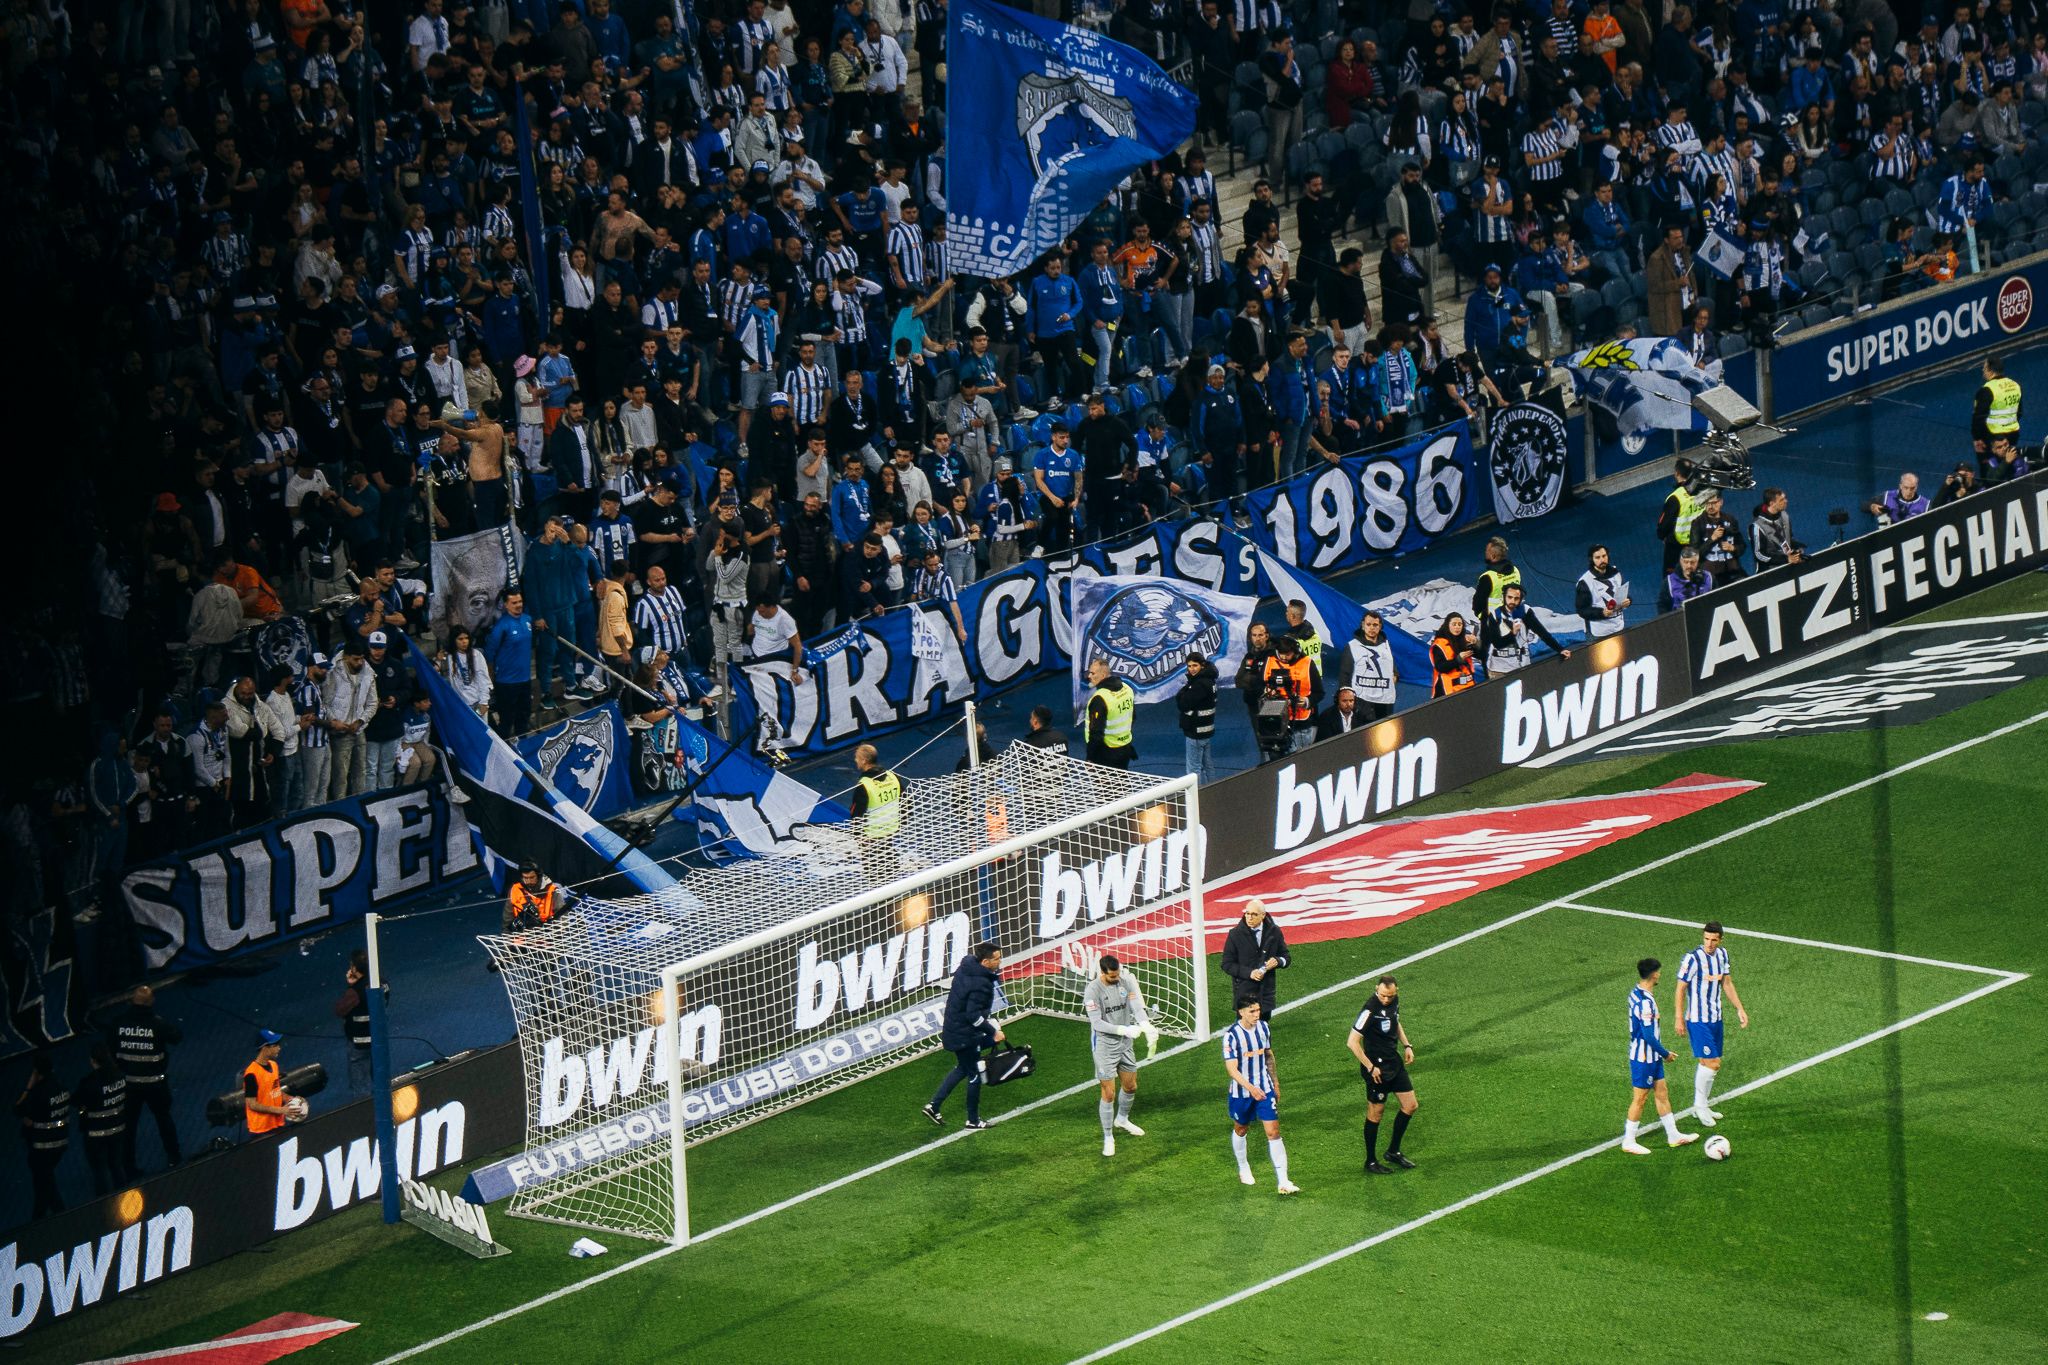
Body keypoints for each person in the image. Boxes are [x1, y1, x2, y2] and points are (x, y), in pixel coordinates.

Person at [921, 940, 1004, 1130]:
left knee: (962, 1068)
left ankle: (933, 1106)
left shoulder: (966, 966)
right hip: (965, 1035)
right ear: (985, 962)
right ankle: (973, 1120)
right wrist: (993, 1032)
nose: (1000, 961)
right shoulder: (981, 984)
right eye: (997, 959)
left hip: (953, 1028)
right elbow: (973, 1016)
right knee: (974, 1074)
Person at [1674, 921, 1751, 1128]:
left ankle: (1701, 1105)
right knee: (1713, 1063)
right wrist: (1679, 1017)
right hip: (1698, 1020)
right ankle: (1700, 1106)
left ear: (1720, 940)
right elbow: (1680, 988)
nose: (1709, 943)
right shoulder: (1692, 959)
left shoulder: (1722, 955)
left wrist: (1740, 1008)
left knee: (1706, 1063)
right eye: (1706, 938)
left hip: (1716, 1018)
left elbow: (1727, 983)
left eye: (1713, 940)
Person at [1622, 958, 1699, 1155]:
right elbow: (1648, 1036)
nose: (1660, 974)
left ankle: (1673, 1135)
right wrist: (1665, 1054)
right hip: (1643, 1058)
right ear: (1654, 974)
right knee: (1640, 1099)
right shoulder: (1645, 1003)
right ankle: (1628, 1141)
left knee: (1662, 1092)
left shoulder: (1636, 993)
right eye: (1659, 971)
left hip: (1651, 1057)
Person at [1223, 996, 1297, 1194]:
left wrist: (1275, 1083)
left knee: (1273, 1132)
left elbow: (1268, 1055)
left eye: (1258, 1010)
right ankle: (1243, 1167)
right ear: (1241, 1012)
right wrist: (1251, 1088)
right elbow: (1232, 1069)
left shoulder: (1264, 1028)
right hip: (1242, 1092)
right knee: (1241, 1129)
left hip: (1264, 1089)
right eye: (1252, 1011)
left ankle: (1283, 1181)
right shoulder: (1231, 1036)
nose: (1257, 1015)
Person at [1085, 954, 1158, 1157]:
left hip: (1125, 1044)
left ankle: (1122, 1119)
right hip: (1105, 1045)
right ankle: (1108, 1136)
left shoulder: (1126, 981)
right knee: (1108, 1093)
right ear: (1102, 973)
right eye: (1112, 976)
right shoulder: (1092, 990)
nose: (1116, 978)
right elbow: (1096, 1023)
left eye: (1117, 974)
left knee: (1131, 1086)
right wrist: (1122, 1029)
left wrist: (1146, 1025)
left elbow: (1136, 1007)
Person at [1347, 975, 1419, 1175]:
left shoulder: (1394, 1001)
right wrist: (1370, 1067)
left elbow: (1395, 1021)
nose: (1386, 999)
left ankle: (1393, 1151)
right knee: (1376, 1113)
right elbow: (1352, 1042)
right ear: (1376, 989)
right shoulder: (1369, 1010)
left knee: (1410, 1105)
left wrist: (1407, 1045)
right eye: (1383, 995)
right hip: (1376, 1070)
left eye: (1390, 996)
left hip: (1393, 1062)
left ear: (1396, 992)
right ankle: (1370, 1161)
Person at [16, 1050, 72, 1217]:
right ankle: (42, 1216)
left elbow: (18, 1109)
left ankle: (54, 1216)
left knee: (45, 1183)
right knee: (44, 1182)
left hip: (41, 1147)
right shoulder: (62, 1088)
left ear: (36, 1072)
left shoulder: (37, 1094)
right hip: (60, 1142)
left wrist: (28, 1088)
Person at [77, 1042, 135, 1196]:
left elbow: (77, 1100)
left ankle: (103, 1200)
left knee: (99, 1169)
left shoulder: (89, 1083)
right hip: (118, 1128)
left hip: (96, 1134)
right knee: (116, 1164)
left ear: (92, 1061)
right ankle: (123, 1195)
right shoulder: (120, 1075)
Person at [1480, 583, 1572, 675]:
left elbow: (1542, 632)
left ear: (1521, 599)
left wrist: (1560, 649)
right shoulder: (1495, 615)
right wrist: (1513, 633)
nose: (1512, 601)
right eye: (1509, 597)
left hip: (1523, 666)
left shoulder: (1525, 611)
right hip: (1499, 669)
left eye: (1516, 598)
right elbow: (1497, 643)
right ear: (1504, 597)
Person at [1222, 898, 1289, 1020]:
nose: (1250, 917)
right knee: (1245, 1029)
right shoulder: (1235, 934)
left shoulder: (1274, 932)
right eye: (1247, 913)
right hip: (1245, 993)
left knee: (1263, 1028)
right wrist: (1250, 973)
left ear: (1263, 915)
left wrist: (1278, 961)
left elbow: (1286, 957)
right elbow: (1227, 964)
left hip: (1266, 993)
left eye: (1254, 914)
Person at [1261, 632, 1320, 753]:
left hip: (1300, 722)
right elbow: (1258, 684)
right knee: (1275, 758)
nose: (1283, 657)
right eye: (1281, 653)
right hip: (1274, 719)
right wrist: (1266, 691)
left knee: (1302, 758)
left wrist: (1306, 701)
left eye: (1287, 654)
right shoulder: (1269, 661)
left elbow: (1319, 692)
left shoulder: (1308, 663)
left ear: (1296, 651)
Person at [1655, 459, 1703, 608]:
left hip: (1676, 547)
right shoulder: (1702, 491)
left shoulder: (1675, 497)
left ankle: (1674, 611)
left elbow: (1662, 528)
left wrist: (1664, 537)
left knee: (1672, 581)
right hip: (1698, 543)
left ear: (1676, 473)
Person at [333, 949, 378, 1098]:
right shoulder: (382, 982)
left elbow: (339, 1010)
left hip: (359, 1042)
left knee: (360, 1078)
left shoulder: (355, 992)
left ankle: (363, 1106)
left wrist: (351, 986)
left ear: (354, 968)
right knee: (378, 1071)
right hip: (378, 1037)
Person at [1342, 611, 1399, 721]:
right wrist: (1345, 697)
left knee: (1385, 727)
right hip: (1362, 699)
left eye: (1375, 625)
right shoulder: (1352, 646)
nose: (1372, 628)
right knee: (1364, 728)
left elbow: (1390, 663)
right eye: (1368, 624)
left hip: (1384, 699)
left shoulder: (1385, 645)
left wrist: (1395, 675)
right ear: (1363, 625)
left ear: (1380, 627)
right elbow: (1345, 674)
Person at [1083, 657, 1136, 769]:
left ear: (1102, 676)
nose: (1089, 676)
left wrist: (1090, 757)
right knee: (1122, 779)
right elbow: (1132, 716)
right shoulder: (1127, 688)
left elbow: (1096, 733)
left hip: (1106, 753)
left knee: (1104, 781)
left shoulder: (1100, 699)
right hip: (1125, 747)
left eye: (1093, 673)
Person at [1175, 653, 1218, 784]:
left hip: (1196, 731)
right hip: (1206, 730)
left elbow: (1183, 703)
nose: (1192, 669)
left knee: (1194, 769)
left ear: (1202, 665)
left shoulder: (1199, 684)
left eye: (1195, 665)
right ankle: (1213, 789)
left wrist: (1185, 690)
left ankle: (1198, 795)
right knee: (1208, 765)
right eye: (1189, 666)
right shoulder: (1210, 680)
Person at [243, 1029, 293, 1138]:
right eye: (275, 1045)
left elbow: (274, 1090)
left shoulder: (274, 1065)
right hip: (262, 1130)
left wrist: (289, 1099)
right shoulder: (251, 1074)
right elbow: (252, 1104)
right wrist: (280, 1110)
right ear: (265, 1048)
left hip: (277, 1124)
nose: (279, 1048)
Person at [1575, 545, 1632, 637]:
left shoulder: (1615, 573)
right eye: (1597, 557)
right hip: (1599, 633)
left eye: (1604, 556)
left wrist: (1628, 601)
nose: (1602, 560)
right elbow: (1582, 610)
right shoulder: (1585, 582)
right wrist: (1601, 613)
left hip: (1619, 627)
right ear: (1591, 559)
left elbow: (1623, 593)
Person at [847, 742, 902, 838]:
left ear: (864, 761)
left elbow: (857, 814)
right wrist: (903, 822)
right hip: (891, 828)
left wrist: (857, 836)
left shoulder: (864, 785)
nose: (855, 760)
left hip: (872, 834)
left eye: (857, 757)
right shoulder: (893, 776)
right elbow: (906, 801)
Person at [1971, 352, 2022, 452]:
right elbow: (2019, 412)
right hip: (2013, 433)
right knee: (2010, 457)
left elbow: (1979, 417)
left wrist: (1977, 437)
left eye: (1984, 368)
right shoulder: (2015, 385)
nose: (1983, 370)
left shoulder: (1987, 390)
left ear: (1990, 371)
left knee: (1993, 461)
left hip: (1994, 437)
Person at [505, 860, 572, 932]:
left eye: (532, 877)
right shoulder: (515, 889)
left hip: (548, 933)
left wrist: (556, 932)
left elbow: (563, 916)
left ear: (539, 876)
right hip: (521, 933)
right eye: (525, 878)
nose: (528, 881)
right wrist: (507, 934)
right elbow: (507, 917)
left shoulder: (552, 891)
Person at [1750, 488, 1805, 572]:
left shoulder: (1784, 515)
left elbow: (1788, 539)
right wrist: (1786, 559)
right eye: (1781, 500)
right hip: (1769, 572)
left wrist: (1797, 548)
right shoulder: (1757, 526)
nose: (1786, 501)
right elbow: (1759, 554)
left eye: (1785, 498)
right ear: (1772, 503)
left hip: (1788, 565)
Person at [1472, 535, 1522, 618]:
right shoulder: (1515, 570)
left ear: (1493, 556)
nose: (1485, 552)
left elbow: (1478, 606)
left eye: (1487, 551)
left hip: (1495, 620)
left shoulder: (1487, 578)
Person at [1429, 613, 1477, 695]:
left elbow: (1481, 655)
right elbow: (1440, 667)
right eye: (1454, 624)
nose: (1457, 627)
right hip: (1447, 690)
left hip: (1467, 684)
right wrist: (1458, 660)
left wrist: (1476, 644)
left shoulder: (1465, 640)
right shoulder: (1439, 644)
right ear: (1448, 625)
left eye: (1460, 624)